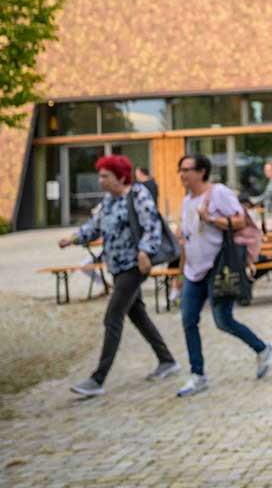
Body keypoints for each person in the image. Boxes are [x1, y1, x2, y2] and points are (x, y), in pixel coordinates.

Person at [57, 155, 179, 397]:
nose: (101, 180)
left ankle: (97, 378)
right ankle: (167, 360)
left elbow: (152, 226)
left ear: (121, 177)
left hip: (134, 267)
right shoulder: (109, 201)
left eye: (106, 176)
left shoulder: (138, 195)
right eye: (100, 176)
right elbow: (94, 226)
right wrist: (72, 239)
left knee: (113, 316)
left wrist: (145, 251)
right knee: (138, 315)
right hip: (116, 266)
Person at [176, 154, 272, 397]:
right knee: (188, 320)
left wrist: (210, 218)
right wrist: (179, 275)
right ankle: (197, 374)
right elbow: (186, 240)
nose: (182, 174)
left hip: (219, 267)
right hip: (193, 270)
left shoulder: (218, 192)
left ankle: (263, 348)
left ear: (201, 172)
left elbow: (240, 220)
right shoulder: (186, 201)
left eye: (187, 169)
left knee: (223, 320)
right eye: (180, 170)